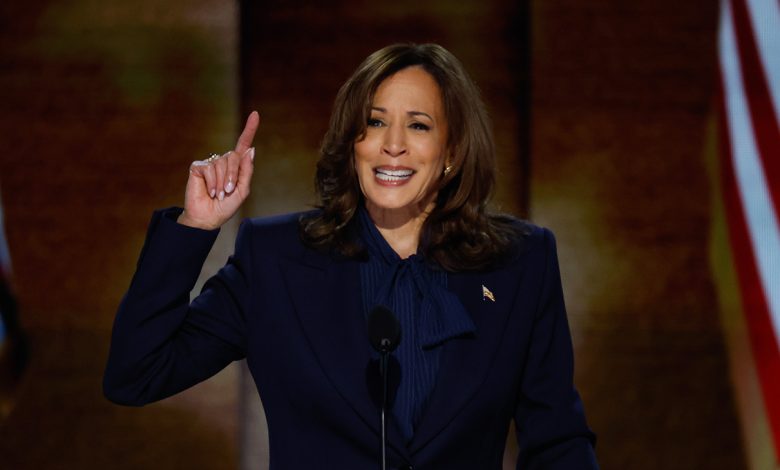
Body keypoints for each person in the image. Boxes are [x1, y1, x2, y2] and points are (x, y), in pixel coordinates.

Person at [104, 43, 598, 469]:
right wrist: (196, 227)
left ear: (452, 151)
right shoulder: (276, 261)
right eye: (374, 122)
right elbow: (136, 374)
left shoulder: (519, 263)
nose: (394, 146)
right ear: (352, 142)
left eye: (419, 126)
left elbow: (557, 440)